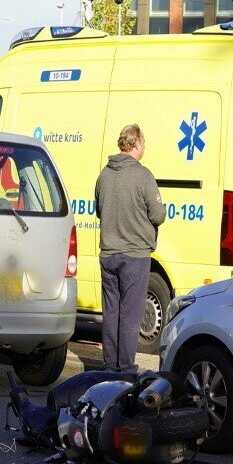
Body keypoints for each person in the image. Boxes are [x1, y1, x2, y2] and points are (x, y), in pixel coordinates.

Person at [94, 124, 166, 373]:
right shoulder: (143, 175)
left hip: (108, 254)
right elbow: (158, 215)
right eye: (143, 143)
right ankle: (125, 368)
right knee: (130, 315)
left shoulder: (104, 174)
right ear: (135, 144)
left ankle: (109, 366)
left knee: (111, 313)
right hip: (134, 255)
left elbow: (99, 211)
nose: (144, 148)